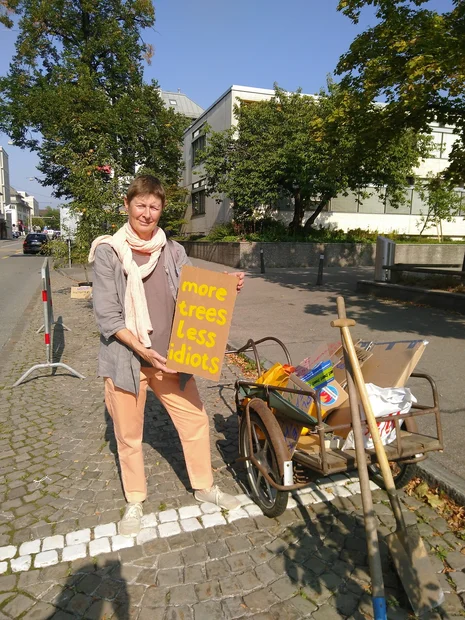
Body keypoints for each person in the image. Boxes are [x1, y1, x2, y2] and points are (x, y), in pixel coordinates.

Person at [89, 175, 245, 536]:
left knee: (195, 422)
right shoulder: (109, 252)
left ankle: (204, 487)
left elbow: (194, 288)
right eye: (140, 205)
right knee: (128, 434)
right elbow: (107, 316)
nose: (147, 213)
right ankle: (134, 500)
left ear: (161, 210)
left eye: (154, 206)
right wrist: (142, 349)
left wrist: (226, 285)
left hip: (172, 359)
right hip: (127, 360)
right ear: (127, 206)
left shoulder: (172, 250)